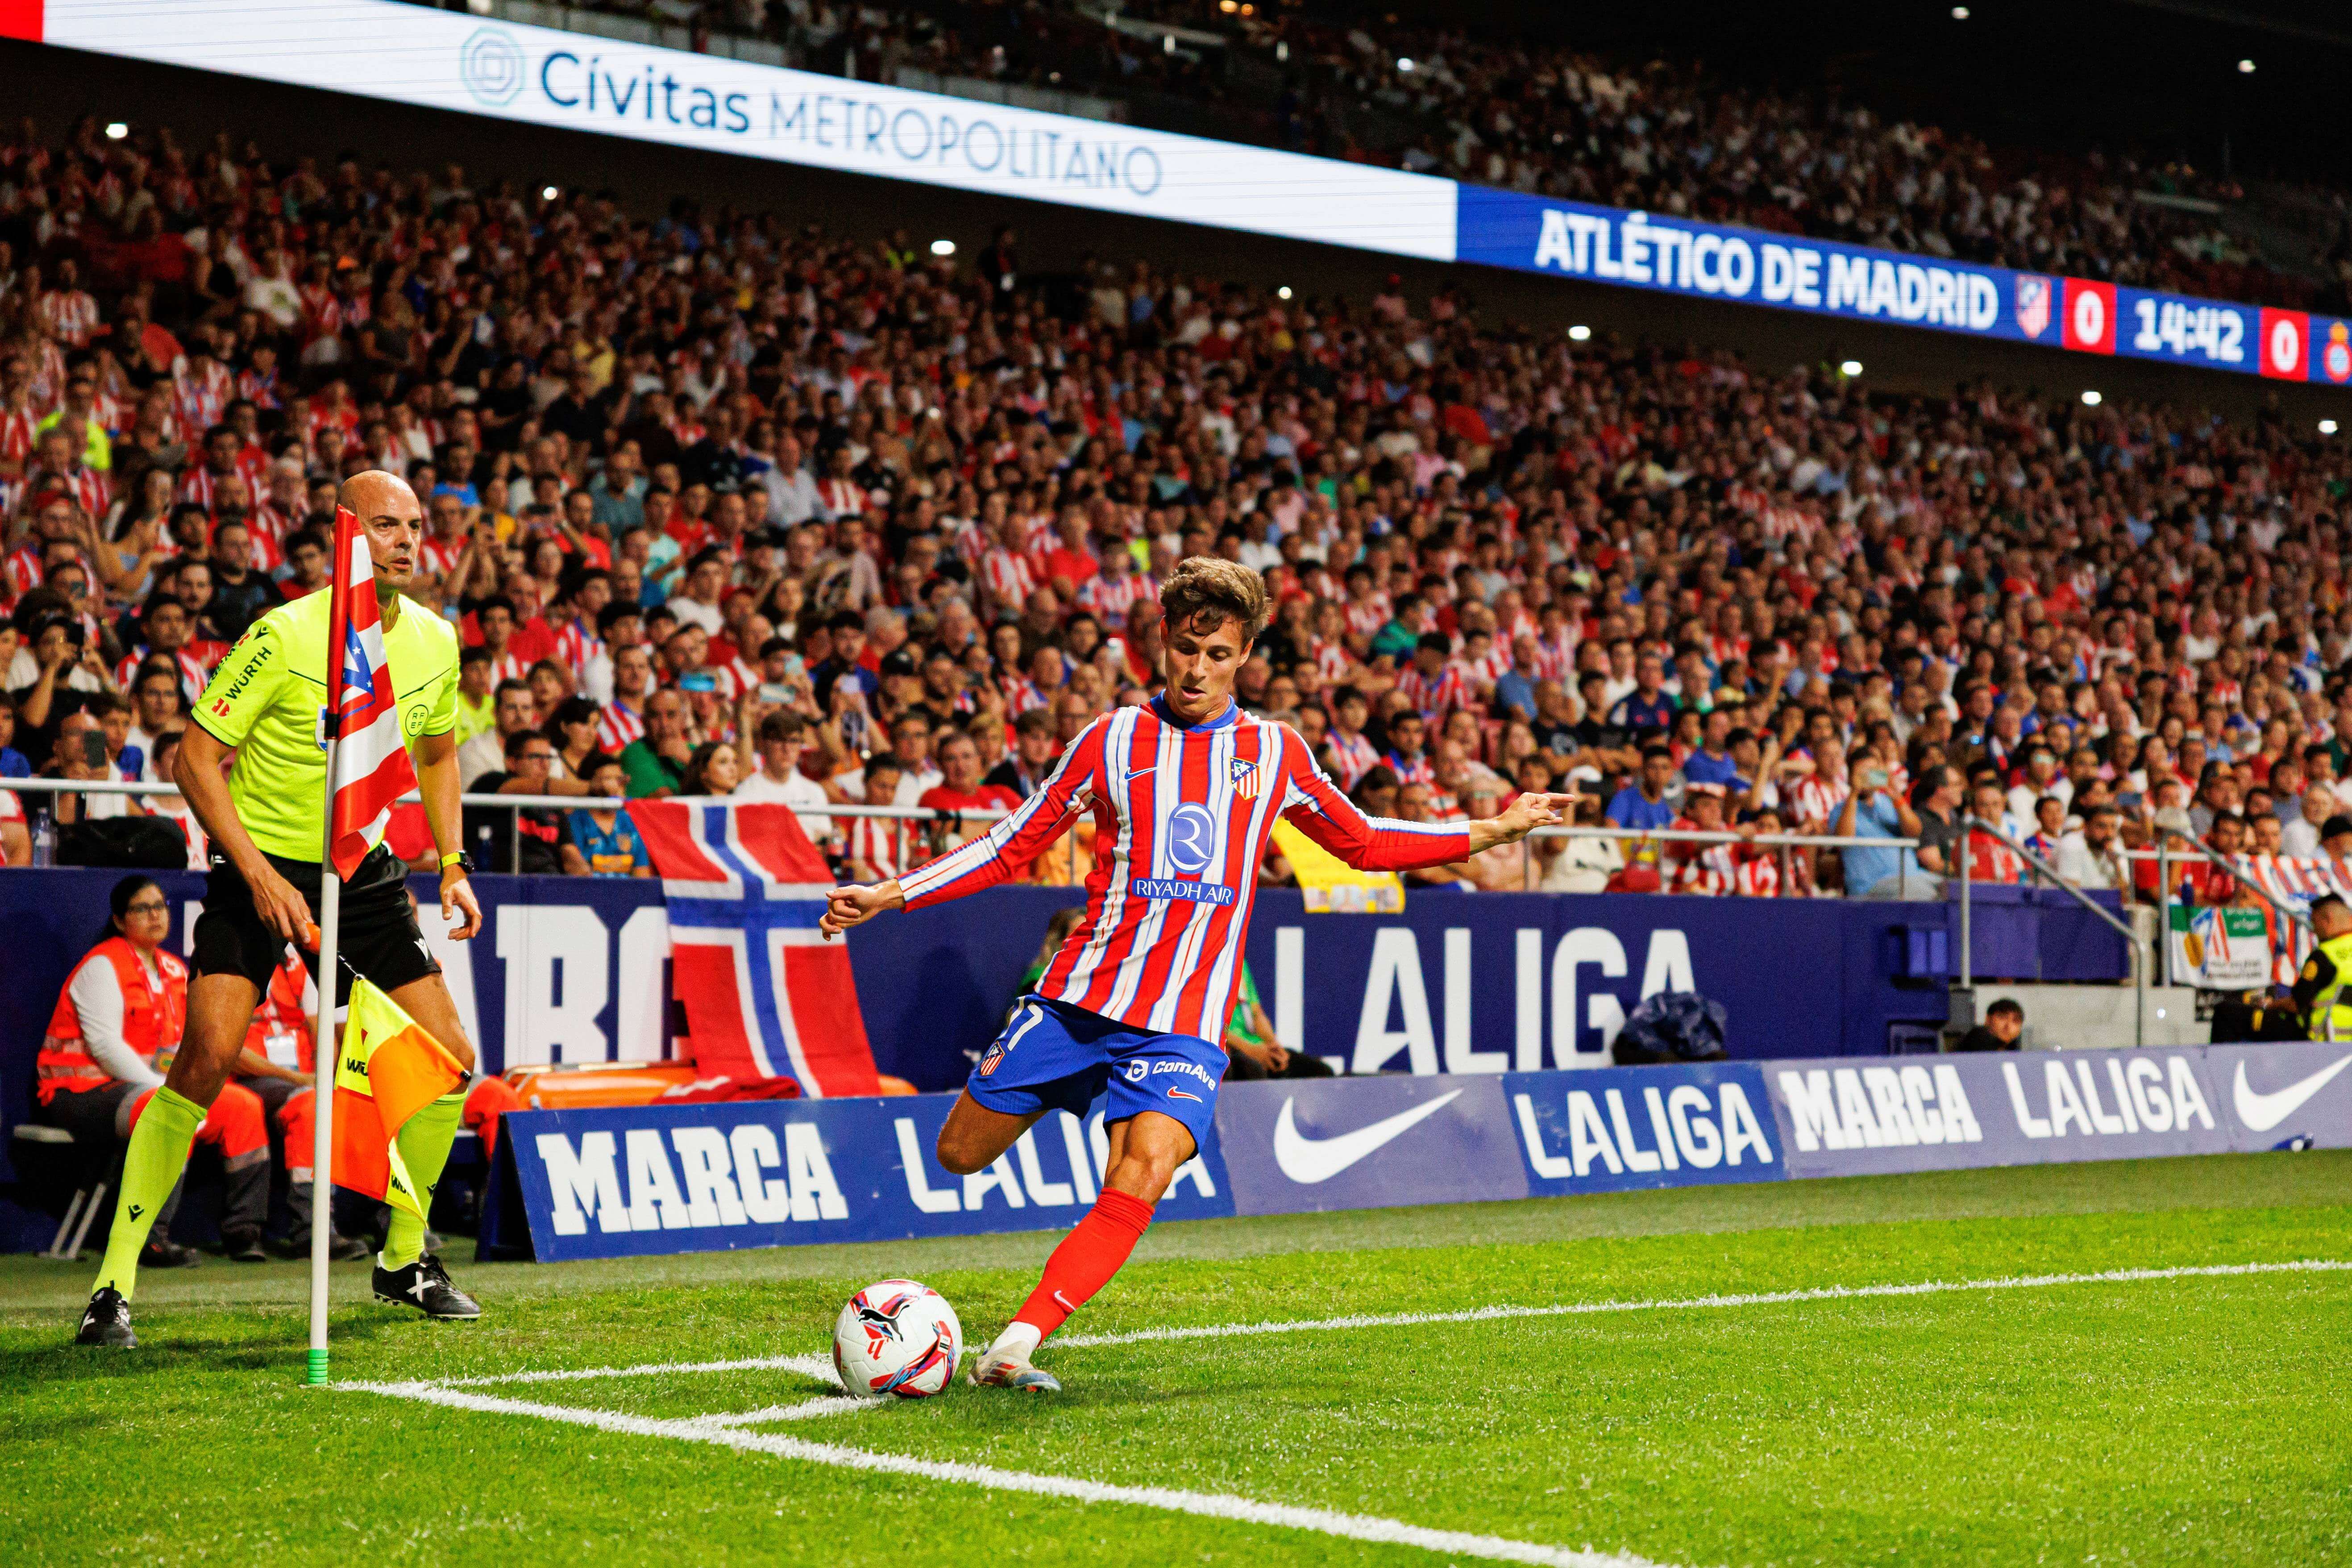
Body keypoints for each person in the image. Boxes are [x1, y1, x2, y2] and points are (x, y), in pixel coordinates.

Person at [820, 558, 1571, 1393]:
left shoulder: (1273, 750)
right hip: (1081, 998)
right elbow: (1013, 843)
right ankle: (1061, 1136)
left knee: (1142, 1171)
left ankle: (1018, 1342)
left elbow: (1360, 840)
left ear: (1245, 654)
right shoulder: (1111, 739)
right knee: (959, 1153)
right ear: (1162, 643)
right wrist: (891, 893)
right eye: (1185, 648)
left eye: (1217, 652)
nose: (1197, 668)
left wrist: (1491, 829)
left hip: (1186, 1021)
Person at [72, 471, 487, 1350]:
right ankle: (112, 1285)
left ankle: (403, 1258)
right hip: (256, 863)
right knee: (208, 1057)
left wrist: (452, 863)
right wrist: (258, 875)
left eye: (416, 524)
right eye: (387, 524)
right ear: (348, 533)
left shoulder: (436, 642)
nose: (410, 539)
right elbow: (195, 758)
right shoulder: (285, 633)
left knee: (452, 1055)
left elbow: (441, 754)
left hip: (361, 864)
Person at [35, 876, 269, 1265]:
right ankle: (151, 1237)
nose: (155, 915)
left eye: (160, 906)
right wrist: (170, 1092)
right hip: (77, 1092)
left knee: (241, 1106)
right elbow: (107, 1049)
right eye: (142, 908)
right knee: (164, 1112)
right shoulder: (101, 966)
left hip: (147, 1088)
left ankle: (245, 1232)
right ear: (118, 919)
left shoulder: (176, 970)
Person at [733, 709, 833, 848]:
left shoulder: (814, 791)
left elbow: (822, 842)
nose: (787, 748)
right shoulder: (746, 792)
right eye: (779, 740)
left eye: (793, 741)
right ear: (762, 745)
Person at [561, 755, 651, 877]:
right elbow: (577, 874)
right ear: (591, 785)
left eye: (619, 780)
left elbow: (642, 875)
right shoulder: (575, 822)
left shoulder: (632, 821)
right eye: (608, 779)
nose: (615, 787)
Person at [2291, 894, 2352, 1040]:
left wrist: (2270, 1005)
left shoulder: (2324, 955)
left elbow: (2296, 1004)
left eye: (2314, 923)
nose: (2314, 930)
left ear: (2328, 919)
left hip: (2326, 1039)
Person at [1954, 996, 2025, 1052]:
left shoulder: (2013, 1046)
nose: (2008, 1026)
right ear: (1988, 1020)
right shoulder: (1977, 1037)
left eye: (2015, 1021)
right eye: (2003, 1018)